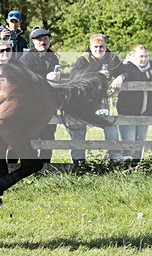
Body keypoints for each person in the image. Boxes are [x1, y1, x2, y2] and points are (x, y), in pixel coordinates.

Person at [68, 33, 127, 165]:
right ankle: (78, 164)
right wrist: (96, 74)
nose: (99, 49)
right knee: (79, 131)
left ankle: (115, 158)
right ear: (90, 46)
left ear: (106, 47)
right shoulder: (83, 59)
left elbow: (127, 70)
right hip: (81, 104)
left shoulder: (112, 58)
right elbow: (75, 76)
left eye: (101, 47)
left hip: (101, 103)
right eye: (95, 47)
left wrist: (122, 76)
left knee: (110, 125)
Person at [116, 45, 152, 161]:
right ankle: (125, 167)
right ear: (133, 56)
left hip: (146, 112)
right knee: (129, 143)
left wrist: (149, 75)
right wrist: (123, 77)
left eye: (146, 56)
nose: (144, 59)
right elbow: (128, 74)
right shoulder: (126, 66)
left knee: (140, 144)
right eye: (141, 56)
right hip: (128, 113)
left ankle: (138, 168)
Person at [19, 28, 62, 165]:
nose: (43, 42)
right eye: (39, 39)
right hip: (32, 105)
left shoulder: (52, 56)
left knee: (49, 134)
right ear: (33, 41)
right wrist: (46, 77)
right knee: (33, 135)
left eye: (45, 39)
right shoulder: (26, 58)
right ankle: (30, 166)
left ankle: (46, 165)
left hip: (49, 103)